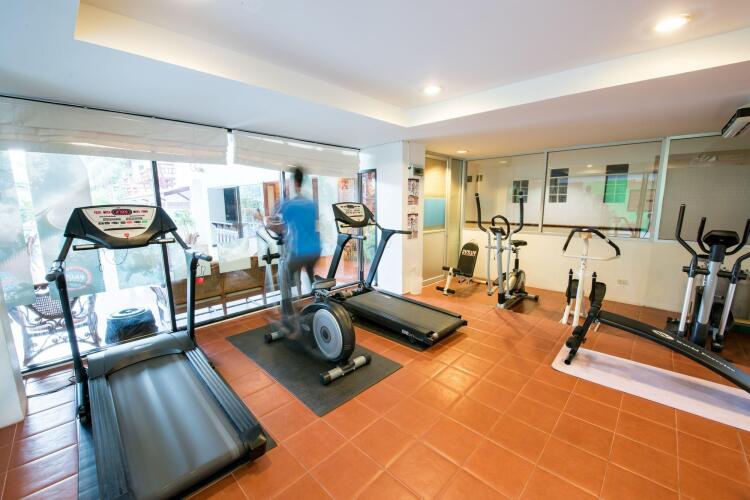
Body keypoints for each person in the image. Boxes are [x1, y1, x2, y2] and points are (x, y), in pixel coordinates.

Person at [276, 167, 321, 289]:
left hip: (300, 251)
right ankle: (314, 294)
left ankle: (288, 299)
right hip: (315, 250)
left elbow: (280, 225)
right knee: (310, 271)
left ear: (294, 183)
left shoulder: (290, 205)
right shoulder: (311, 204)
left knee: (284, 276)